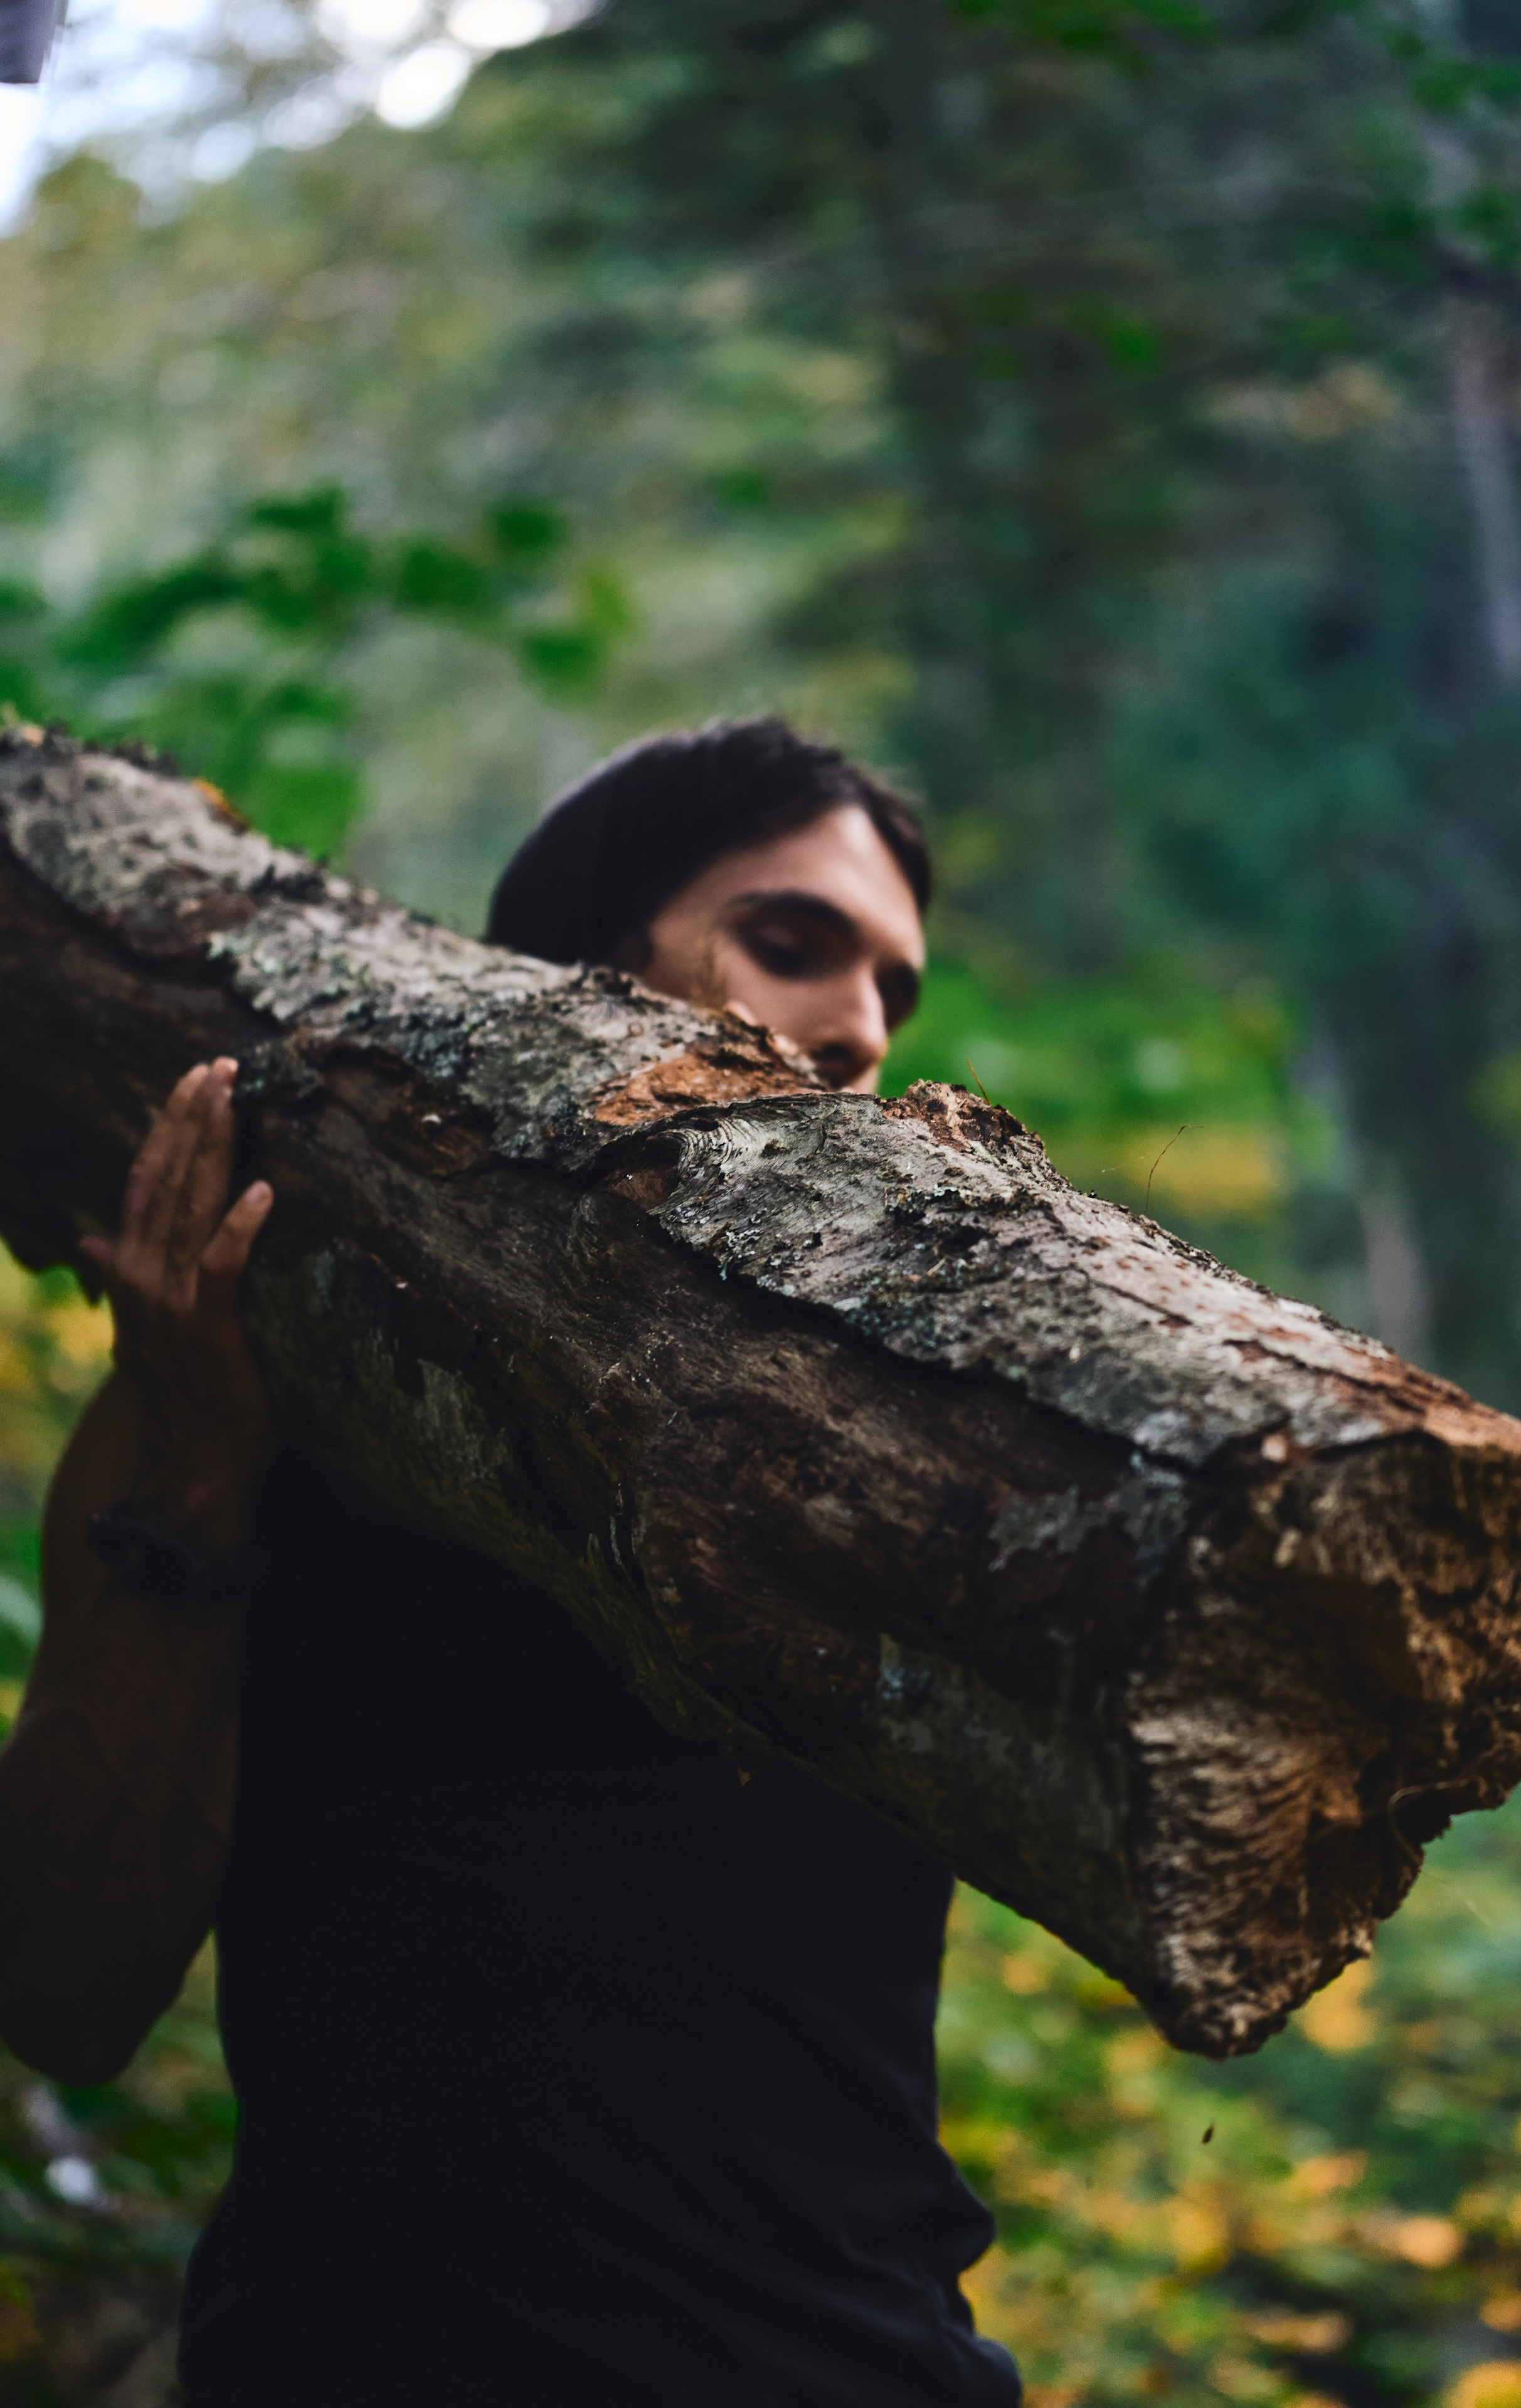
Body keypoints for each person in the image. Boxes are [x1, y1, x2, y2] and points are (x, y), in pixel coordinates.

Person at [0, 716, 1022, 2406]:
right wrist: (194, 1478)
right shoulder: (259, 1399)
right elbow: (60, 1993)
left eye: (894, 994)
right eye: (790, 944)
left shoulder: (911, 1460)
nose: (857, 1029)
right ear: (585, 972)